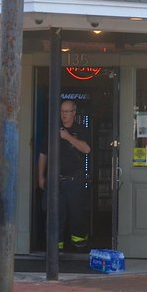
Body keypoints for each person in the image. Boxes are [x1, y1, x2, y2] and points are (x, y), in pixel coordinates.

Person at [38, 99, 92, 252]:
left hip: (75, 180)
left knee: (77, 213)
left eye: (67, 111)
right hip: (55, 179)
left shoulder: (82, 130)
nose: (64, 114)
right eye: (62, 111)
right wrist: (41, 176)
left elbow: (86, 149)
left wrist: (67, 137)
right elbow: (43, 154)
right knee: (54, 214)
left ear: (74, 113)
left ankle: (80, 246)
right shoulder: (52, 130)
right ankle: (55, 249)